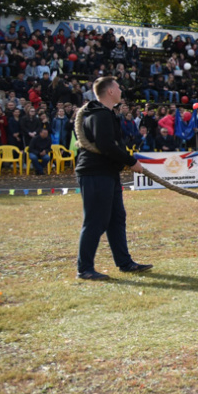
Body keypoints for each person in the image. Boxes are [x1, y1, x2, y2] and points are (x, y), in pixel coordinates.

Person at [73, 76, 151, 280]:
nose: (120, 90)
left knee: (116, 219)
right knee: (96, 220)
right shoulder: (99, 115)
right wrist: (131, 161)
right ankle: (85, 268)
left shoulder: (104, 113)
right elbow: (107, 145)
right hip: (95, 172)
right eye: (117, 87)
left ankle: (125, 262)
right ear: (109, 91)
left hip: (107, 172)